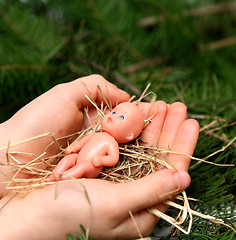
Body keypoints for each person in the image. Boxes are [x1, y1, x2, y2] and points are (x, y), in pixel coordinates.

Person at [0, 74, 200, 239]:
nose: (112, 116)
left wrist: (100, 161)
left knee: (79, 168)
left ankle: (64, 179)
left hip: (90, 166)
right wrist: (73, 148)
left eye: (121, 117)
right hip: (78, 157)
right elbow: (81, 143)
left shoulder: (111, 143)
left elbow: (112, 159)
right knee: (67, 161)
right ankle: (55, 175)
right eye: (114, 111)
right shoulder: (96, 134)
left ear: (130, 135)